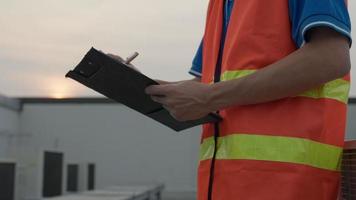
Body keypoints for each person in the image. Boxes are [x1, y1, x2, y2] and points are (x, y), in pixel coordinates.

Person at [144, 0, 352, 199]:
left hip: (287, 185)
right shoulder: (221, 4)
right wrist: (139, 84)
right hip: (225, 185)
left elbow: (330, 57)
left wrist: (210, 97)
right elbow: (205, 86)